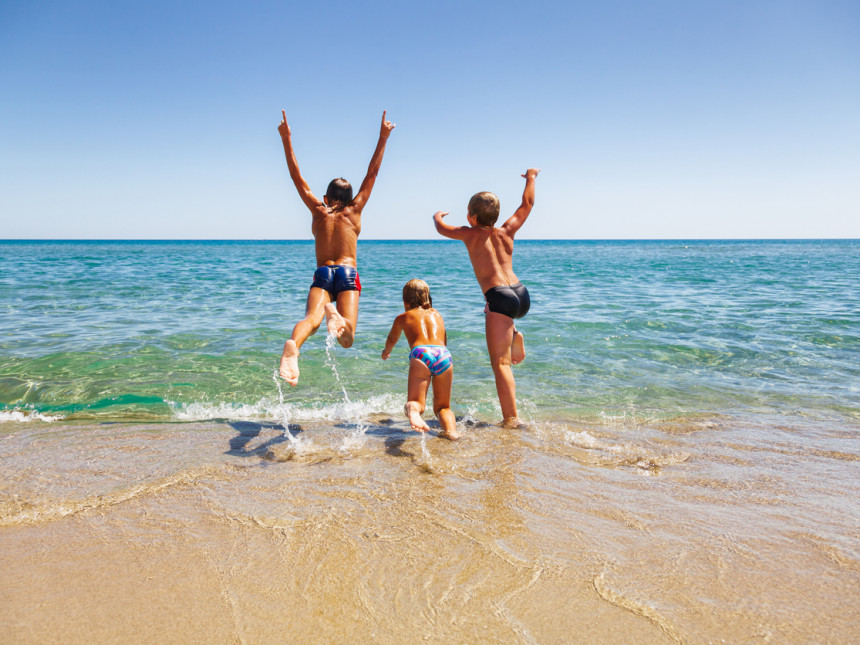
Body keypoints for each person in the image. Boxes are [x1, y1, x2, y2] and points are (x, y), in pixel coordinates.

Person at [277, 109, 395, 386]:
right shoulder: (355, 210)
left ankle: (294, 344)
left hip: (322, 274)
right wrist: (383, 137)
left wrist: (286, 139)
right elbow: (373, 172)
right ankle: (335, 314)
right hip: (347, 273)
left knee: (310, 320)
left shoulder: (319, 211)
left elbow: (296, 176)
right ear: (351, 197)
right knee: (347, 338)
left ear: (326, 197)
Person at [433, 169, 540, 427]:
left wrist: (437, 216)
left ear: (471, 216)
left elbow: (441, 228)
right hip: (520, 293)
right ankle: (514, 333)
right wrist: (531, 178)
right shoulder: (507, 230)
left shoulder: (470, 234)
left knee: (501, 365)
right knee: (495, 314)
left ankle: (511, 418)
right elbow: (527, 204)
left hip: (500, 298)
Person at [382, 279, 459, 440]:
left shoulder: (403, 317)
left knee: (416, 402)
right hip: (443, 354)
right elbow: (444, 340)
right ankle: (452, 432)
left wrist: (386, 351)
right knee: (443, 407)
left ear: (405, 300)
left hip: (421, 354)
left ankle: (414, 411)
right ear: (428, 298)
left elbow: (391, 339)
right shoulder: (437, 314)